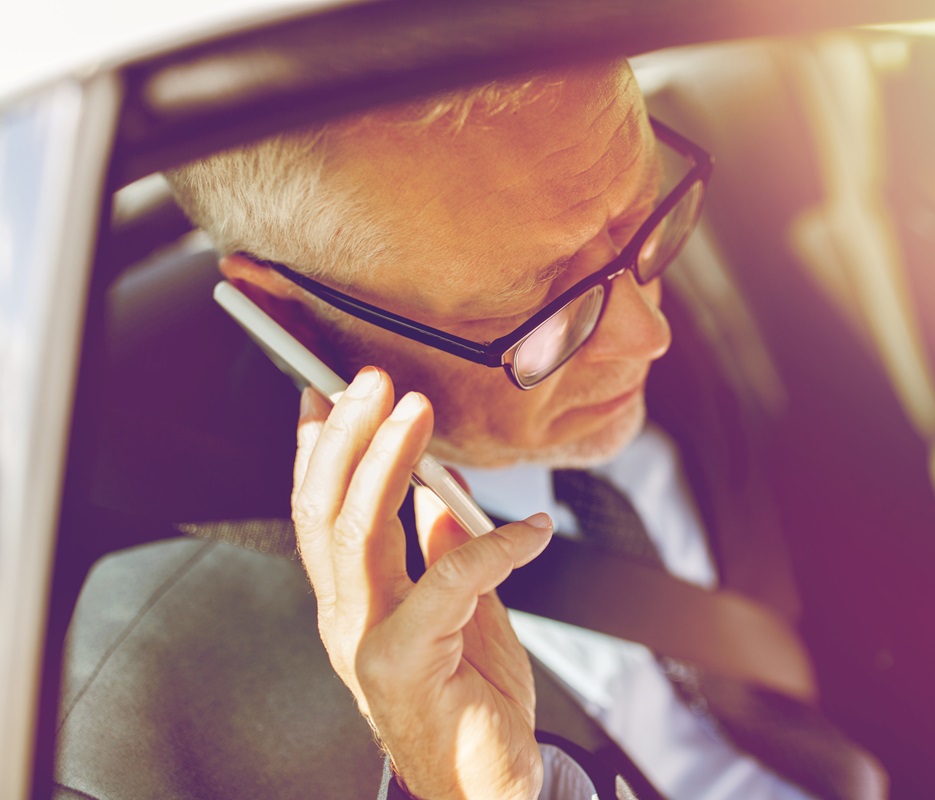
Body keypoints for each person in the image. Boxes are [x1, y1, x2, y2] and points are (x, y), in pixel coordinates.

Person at [142, 59, 884, 799]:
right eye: (536, 306)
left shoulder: (626, 252)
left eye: (638, 213)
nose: (647, 331)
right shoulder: (186, 667)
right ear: (287, 315)